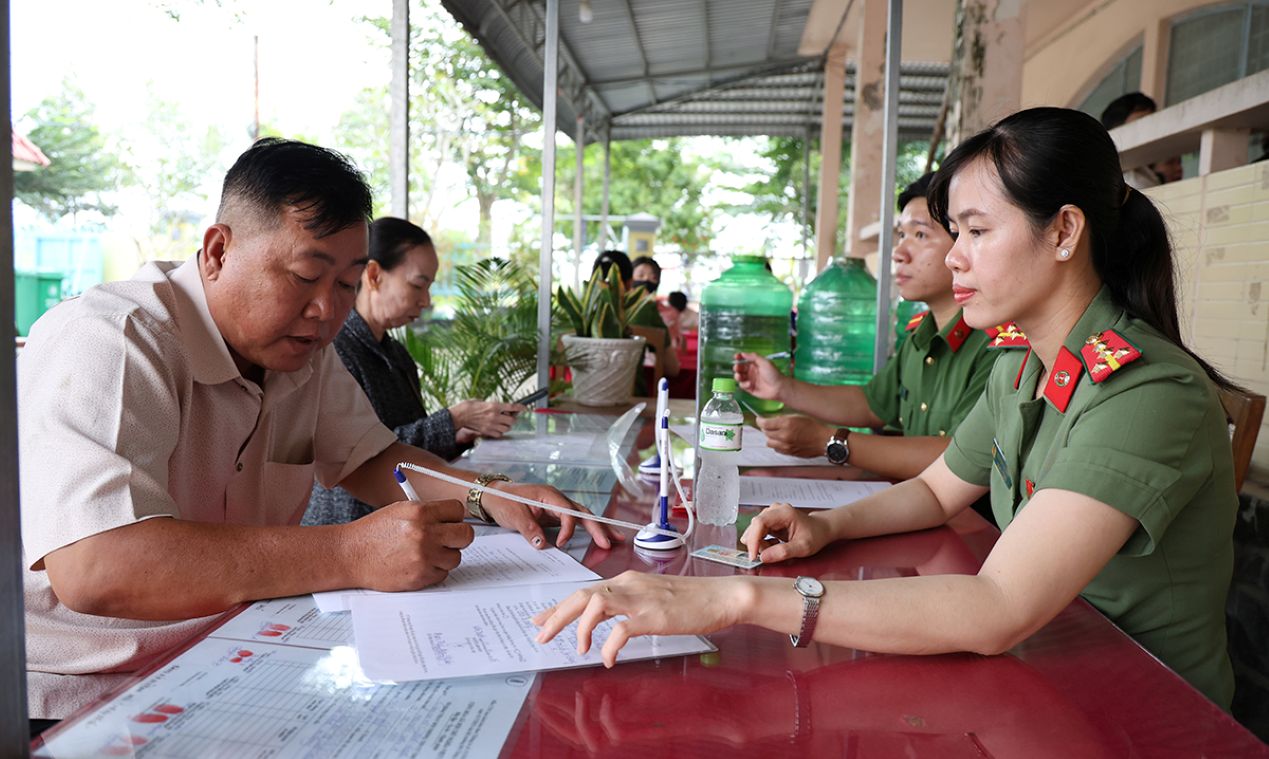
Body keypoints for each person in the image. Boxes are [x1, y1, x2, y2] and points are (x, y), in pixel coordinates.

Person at [534, 107, 1239, 709]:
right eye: (952, 233)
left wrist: (734, 600)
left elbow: (997, 606)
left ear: (1062, 232)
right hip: (1043, 659)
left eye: (975, 231)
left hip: (1136, 700)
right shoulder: (1024, 362)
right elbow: (937, 489)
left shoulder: (1144, 392)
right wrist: (825, 526)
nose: (954, 257)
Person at [19, 138, 616, 723]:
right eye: (306, 275)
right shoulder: (115, 341)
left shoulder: (303, 356)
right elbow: (97, 566)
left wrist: (491, 494)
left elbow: (374, 461)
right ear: (218, 251)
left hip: (235, 654)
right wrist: (351, 552)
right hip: (83, 694)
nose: (327, 311)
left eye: (347, 284)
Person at [735, 173, 1000, 487]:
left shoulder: (996, 345)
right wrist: (782, 388)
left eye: (921, 235)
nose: (899, 252)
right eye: (902, 235)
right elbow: (873, 404)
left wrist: (831, 442)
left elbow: (959, 459)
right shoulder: (919, 335)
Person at [303, 218, 525, 526]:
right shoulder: (336, 352)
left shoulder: (397, 354)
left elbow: (400, 446)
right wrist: (453, 418)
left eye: (429, 288)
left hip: (396, 520)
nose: (426, 301)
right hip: (351, 524)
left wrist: (457, 435)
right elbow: (366, 453)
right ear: (374, 275)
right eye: (417, 285)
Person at [592, 250, 680, 379]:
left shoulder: (581, 312)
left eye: (653, 277)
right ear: (630, 280)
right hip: (630, 393)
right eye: (641, 275)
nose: (646, 280)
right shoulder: (647, 309)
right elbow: (672, 369)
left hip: (577, 391)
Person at [1100, 92, 1182, 188]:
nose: (1152, 128)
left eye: (1153, 121)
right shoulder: (1121, 183)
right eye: (1142, 122)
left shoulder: (1148, 176)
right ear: (1117, 131)